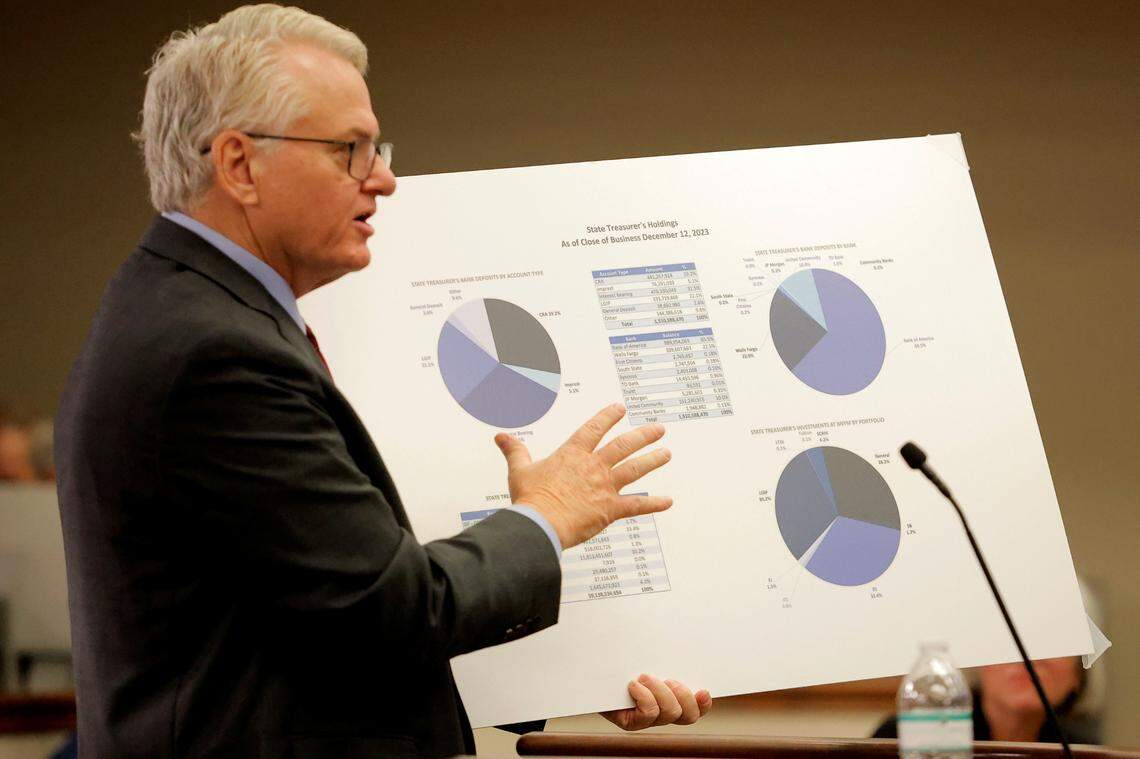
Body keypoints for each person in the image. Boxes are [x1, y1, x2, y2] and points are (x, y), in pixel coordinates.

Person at [55, 5, 708, 758]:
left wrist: (570, 677)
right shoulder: (215, 353)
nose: (386, 178)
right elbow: (384, 610)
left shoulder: (192, 311)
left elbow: (315, 624)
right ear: (239, 165)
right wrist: (548, 515)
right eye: (350, 150)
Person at [872, 656, 1098, 744]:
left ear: (1078, 677)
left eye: (1054, 643)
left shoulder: (1086, 752)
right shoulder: (903, 738)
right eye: (1012, 637)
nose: (1031, 659)